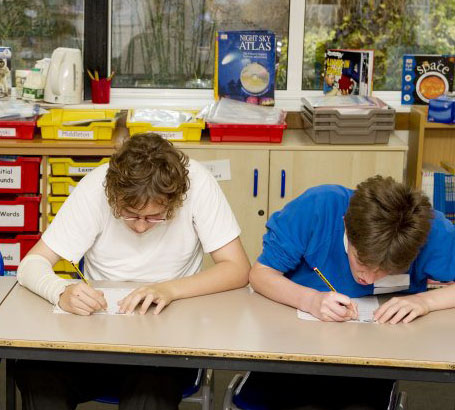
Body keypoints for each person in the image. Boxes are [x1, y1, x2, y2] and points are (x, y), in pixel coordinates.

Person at [15, 133, 250, 410]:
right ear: (114, 197)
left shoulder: (199, 185)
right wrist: (61, 292)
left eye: (154, 217)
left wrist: (168, 289)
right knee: (36, 373)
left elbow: (237, 268)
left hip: (166, 340)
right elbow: (31, 264)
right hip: (98, 334)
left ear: (174, 200)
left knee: (149, 393)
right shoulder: (95, 188)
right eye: (129, 214)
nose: (140, 227)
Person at [238, 175, 455, 410]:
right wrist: (309, 300)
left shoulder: (429, 231)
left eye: (385, 271)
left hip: (374, 357)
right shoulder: (317, 209)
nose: (368, 279)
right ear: (346, 226)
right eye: (361, 262)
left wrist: (426, 301)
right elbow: (260, 274)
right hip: (293, 350)